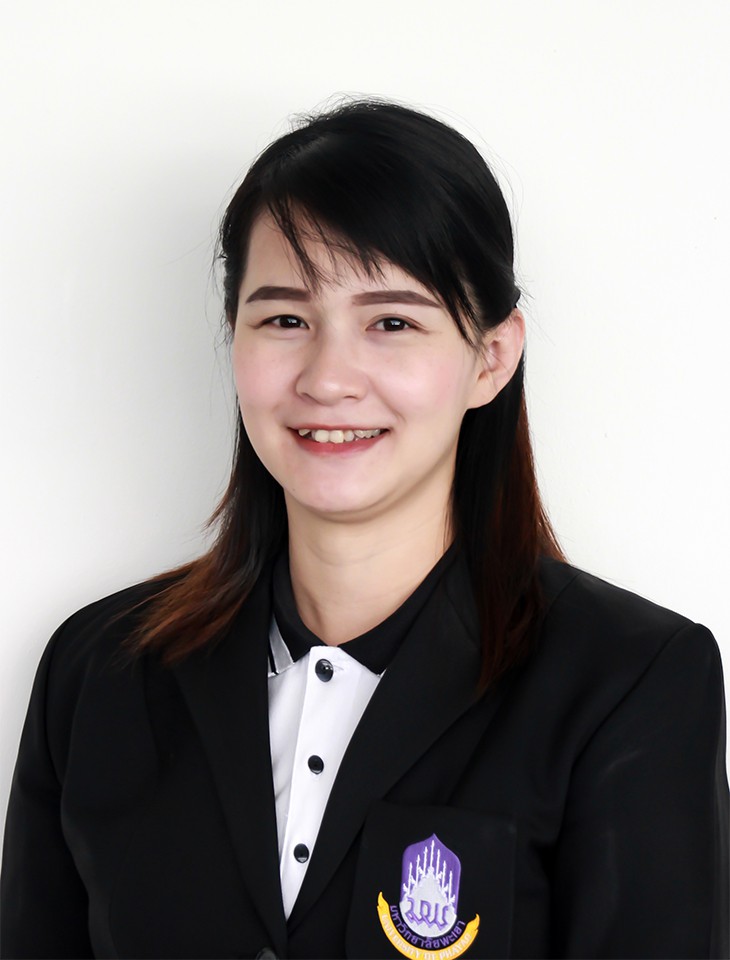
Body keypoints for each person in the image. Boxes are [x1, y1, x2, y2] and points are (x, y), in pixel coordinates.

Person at [1, 98, 727, 960]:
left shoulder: (628, 683)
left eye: (392, 322)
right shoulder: (98, 671)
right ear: (234, 338)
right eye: (285, 319)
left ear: (491, 357)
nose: (329, 377)